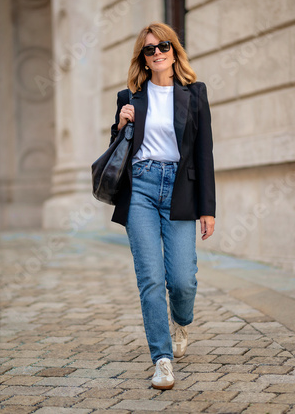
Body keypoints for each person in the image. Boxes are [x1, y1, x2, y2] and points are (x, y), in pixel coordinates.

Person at [109, 22, 215, 390]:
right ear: (143, 58)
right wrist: (120, 122)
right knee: (151, 278)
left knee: (182, 280)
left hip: (180, 191)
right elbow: (118, 149)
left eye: (163, 47)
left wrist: (208, 208)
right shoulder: (130, 95)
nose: (157, 54)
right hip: (140, 187)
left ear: (174, 50)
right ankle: (162, 359)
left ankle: (181, 322)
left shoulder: (195, 94)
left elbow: (204, 155)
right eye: (149, 50)